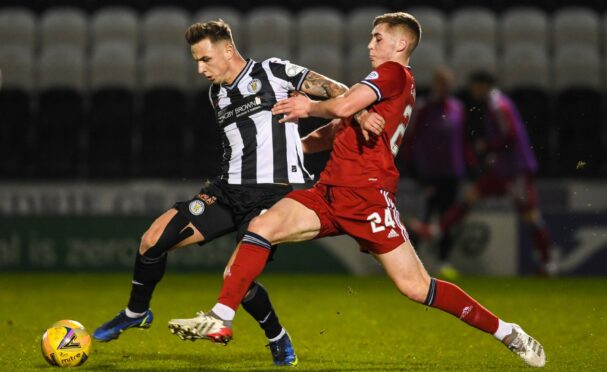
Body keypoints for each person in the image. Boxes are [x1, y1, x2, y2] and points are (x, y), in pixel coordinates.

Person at [167, 13, 546, 368]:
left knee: (416, 288)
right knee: (260, 228)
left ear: (399, 44)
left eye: (378, 37)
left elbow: (343, 104)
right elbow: (335, 130)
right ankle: (221, 319)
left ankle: (507, 332)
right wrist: (290, 148)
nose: (370, 43)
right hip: (328, 192)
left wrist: (309, 106)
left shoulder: (394, 74)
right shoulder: (381, 87)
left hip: (368, 198)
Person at [93, 19, 369, 367]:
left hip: (277, 195)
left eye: (205, 59)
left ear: (227, 50)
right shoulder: (217, 94)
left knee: (236, 275)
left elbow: (337, 90)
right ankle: (136, 312)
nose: (200, 69)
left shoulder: (275, 72)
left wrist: (357, 115)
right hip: (227, 190)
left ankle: (277, 337)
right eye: (196, 60)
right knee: (151, 240)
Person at [412, 71, 555, 276]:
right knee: (471, 195)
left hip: (515, 170)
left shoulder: (498, 105)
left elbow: (510, 135)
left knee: (530, 214)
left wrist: (487, 146)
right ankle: (436, 230)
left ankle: (548, 263)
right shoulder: (494, 104)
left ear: (483, 85)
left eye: (474, 86)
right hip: (502, 169)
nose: (472, 91)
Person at [400, 67, 467, 279]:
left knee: (448, 219)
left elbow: (463, 141)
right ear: (435, 84)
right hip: (428, 173)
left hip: (452, 173)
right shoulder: (424, 109)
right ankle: (411, 265)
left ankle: (443, 262)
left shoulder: (458, 108)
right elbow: (410, 140)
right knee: (423, 217)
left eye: (448, 83)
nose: (445, 87)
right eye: (441, 82)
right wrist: (415, 172)